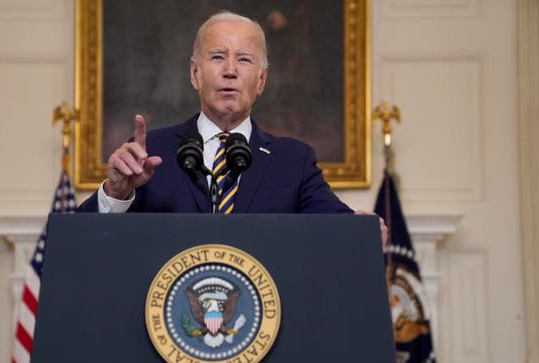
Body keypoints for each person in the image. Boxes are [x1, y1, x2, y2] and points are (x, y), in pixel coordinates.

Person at [78, 11, 387, 243]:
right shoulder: (150, 153)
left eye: (244, 60)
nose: (229, 71)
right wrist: (115, 193)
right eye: (217, 57)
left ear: (262, 80)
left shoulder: (294, 162)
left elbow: (340, 232)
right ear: (195, 74)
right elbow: (85, 242)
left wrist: (364, 232)